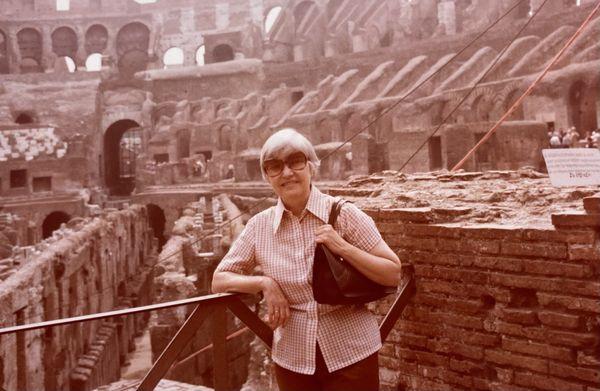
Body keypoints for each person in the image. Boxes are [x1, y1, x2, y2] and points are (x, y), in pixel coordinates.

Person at [212, 128, 401, 391]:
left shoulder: (345, 214)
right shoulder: (259, 226)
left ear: (312, 167)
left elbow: (393, 273)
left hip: (352, 354)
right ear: (267, 177)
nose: (287, 172)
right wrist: (264, 283)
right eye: (275, 166)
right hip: (293, 360)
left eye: (296, 161)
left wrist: (342, 247)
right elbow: (219, 280)